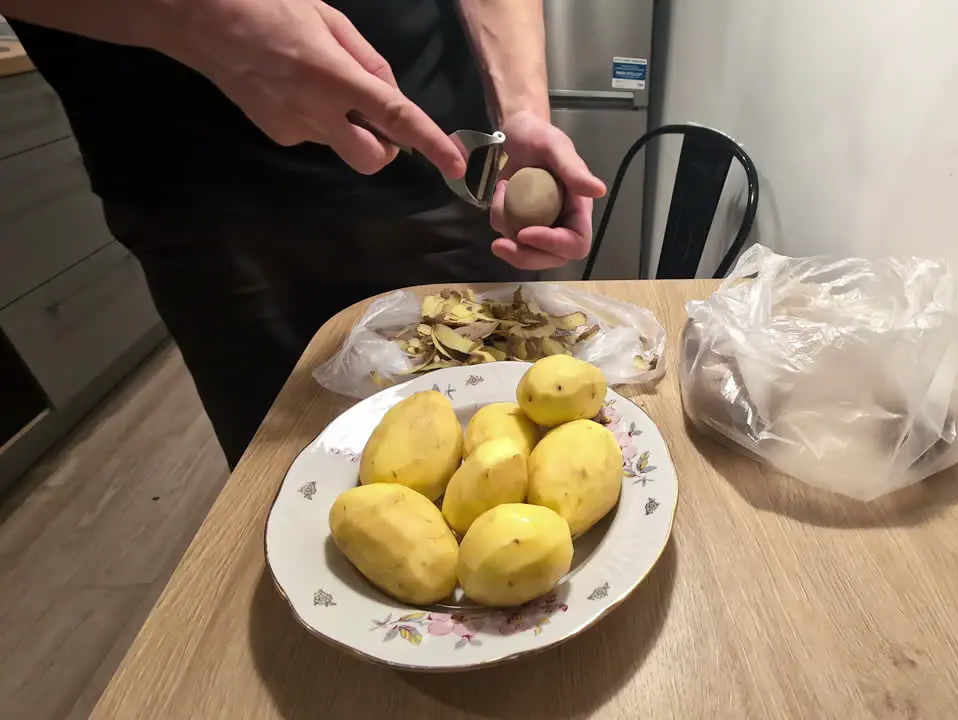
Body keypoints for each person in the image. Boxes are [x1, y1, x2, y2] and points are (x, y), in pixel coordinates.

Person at [3, 0, 607, 466]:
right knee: (287, 480)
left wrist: (522, 111)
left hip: (443, 170)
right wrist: (199, 17)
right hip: (203, 199)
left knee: (500, 442)